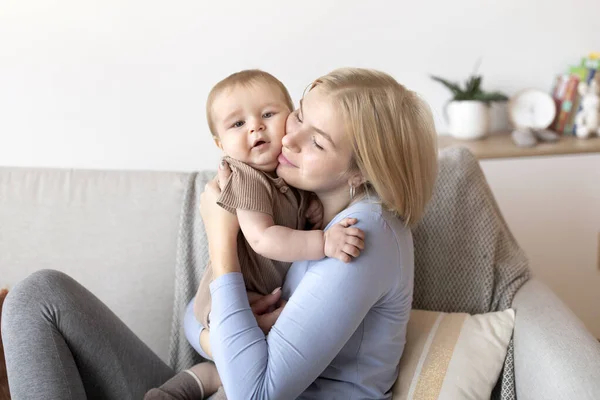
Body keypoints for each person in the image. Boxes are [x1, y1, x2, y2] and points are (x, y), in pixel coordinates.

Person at [1, 67, 437, 400]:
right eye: (299, 115)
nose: (288, 139)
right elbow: (195, 316)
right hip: (218, 381)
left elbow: (256, 392)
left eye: (317, 142)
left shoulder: (362, 237)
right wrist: (221, 334)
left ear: (361, 171)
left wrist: (220, 236)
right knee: (38, 296)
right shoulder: (307, 212)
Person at [146, 69, 365, 400]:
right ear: (221, 145)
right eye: (237, 124)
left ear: (291, 117)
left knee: (248, 361)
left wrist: (313, 210)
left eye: (268, 114)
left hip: (259, 293)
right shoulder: (245, 178)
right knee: (249, 351)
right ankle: (181, 388)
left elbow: (296, 208)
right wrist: (323, 241)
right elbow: (263, 238)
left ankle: (207, 379)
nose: (255, 126)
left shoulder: (285, 171)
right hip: (226, 298)